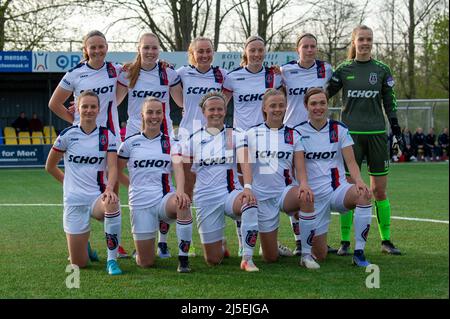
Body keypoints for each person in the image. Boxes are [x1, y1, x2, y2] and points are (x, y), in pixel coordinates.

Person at [48, 30, 129, 259]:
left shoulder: (116, 70)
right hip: (83, 137)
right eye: (92, 47)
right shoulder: (75, 73)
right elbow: (54, 103)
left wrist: (160, 61)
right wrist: (75, 121)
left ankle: (115, 244)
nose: (97, 50)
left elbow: (141, 67)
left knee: (111, 188)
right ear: (85, 49)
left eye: (101, 46)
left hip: (109, 137)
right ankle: (83, 242)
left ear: (107, 47)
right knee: (86, 186)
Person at [327, 25, 402, 256]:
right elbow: (321, 95)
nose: (365, 43)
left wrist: (396, 128)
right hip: (350, 138)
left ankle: (386, 240)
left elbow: (390, 101)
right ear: (354, 42)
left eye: (369, 39)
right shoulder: (343, 69)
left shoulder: (381, 70)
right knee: (350, 190)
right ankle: (345, 241)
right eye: (361, 39)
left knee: (379, 190)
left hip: (377, 135)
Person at [222, 35, 292, 257]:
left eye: (260, 50)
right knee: (246, 192)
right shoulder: (233, 77)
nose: (256, 54)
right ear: (246, 52)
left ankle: (271, 242)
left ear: (265, 52)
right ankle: (244, 241)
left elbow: (285, 99)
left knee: (271, 191)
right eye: (252, 50)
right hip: (243, 142)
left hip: (268, 141)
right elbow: (221, 105)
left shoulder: (273, 77)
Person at [45, 90, 123, 275]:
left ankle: (112, 260)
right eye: (85, 106)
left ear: (98, 109)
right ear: (78, 109)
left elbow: (112, 168)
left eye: (93, 106)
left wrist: (110, 188)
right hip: (74, 201)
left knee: (112, 202)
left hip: (97, 198)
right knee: (79, 263)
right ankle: (84, 247)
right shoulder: (67, 135)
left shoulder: (107, 135)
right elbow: (50, 166)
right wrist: (67, 183)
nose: (89, 110)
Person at [181, 91, 260, 272]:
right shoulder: (193, 139)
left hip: (229, 193)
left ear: (225, 111)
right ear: (203, 112)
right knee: (213, 260)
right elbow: (188, 174)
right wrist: (186, 195)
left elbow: (245, 162)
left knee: (249, 204)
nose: (216, 113)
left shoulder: (235, 134)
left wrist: (247, 187)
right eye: (212, 109)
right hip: (205, 198)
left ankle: (247, 258)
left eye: (220, 109)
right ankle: (220, 243)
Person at [295, 87, 373, 267]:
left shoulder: (339, 129)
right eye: (313, 103)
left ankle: (359, 252)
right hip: (313, 198)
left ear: (327, 105)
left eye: (322, 103)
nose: (318, 107)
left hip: (337, 190)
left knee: (364, 194)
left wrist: (359, 181)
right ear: (306, 106)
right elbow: (298, 166)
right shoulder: (297, 131)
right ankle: (308, 243)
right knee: (320, 255)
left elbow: (351, 162)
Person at [244, 88, 318, 268]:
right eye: (273, 106)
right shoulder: (251, 134)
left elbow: (300, 167)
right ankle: (272, 246)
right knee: (270, 258)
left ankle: (306, 255)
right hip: (262, 197)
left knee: (306, 196)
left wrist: (304, 184)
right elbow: (244, 166)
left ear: (286, 107)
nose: (277, 109)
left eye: (281, 105)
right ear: (264, 108)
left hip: (284, 192)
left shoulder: (293, 135)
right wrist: (247, 187)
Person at [117, 97, 193, 272]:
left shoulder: (171, 142)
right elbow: (115, 171)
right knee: (146, 262)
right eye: (150, 112)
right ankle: (142, 250)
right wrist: (131, 186)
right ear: (142, 115)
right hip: (140, 201)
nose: (154, 116)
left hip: (164, 198)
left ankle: (183, 260)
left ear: (163, 116)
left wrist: (181, 192)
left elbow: (179, 169)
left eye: (158, 112)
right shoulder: (129, 143)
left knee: (183, 203)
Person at [172, 36, 229, 257]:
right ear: (191, 53)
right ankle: (185, 243)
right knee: (186, 192)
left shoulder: (222, 75)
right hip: (188, 137)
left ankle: (221, 240)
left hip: (213, 138)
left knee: (217, 188)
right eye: (200, 51)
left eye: (208, 51)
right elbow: (177, 98)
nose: (204, 55)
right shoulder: (181, 73)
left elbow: (225, 99)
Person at [280, 32, 334, 256]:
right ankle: (300, 240)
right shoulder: (285, 71)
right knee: (296, 187)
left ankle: (315, 236)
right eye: (306, 46)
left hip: (315, 135)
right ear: (297, 49)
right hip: (292, 135)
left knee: (315, 187)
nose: (310, 50)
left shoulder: (326, 70)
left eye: (313, 46)